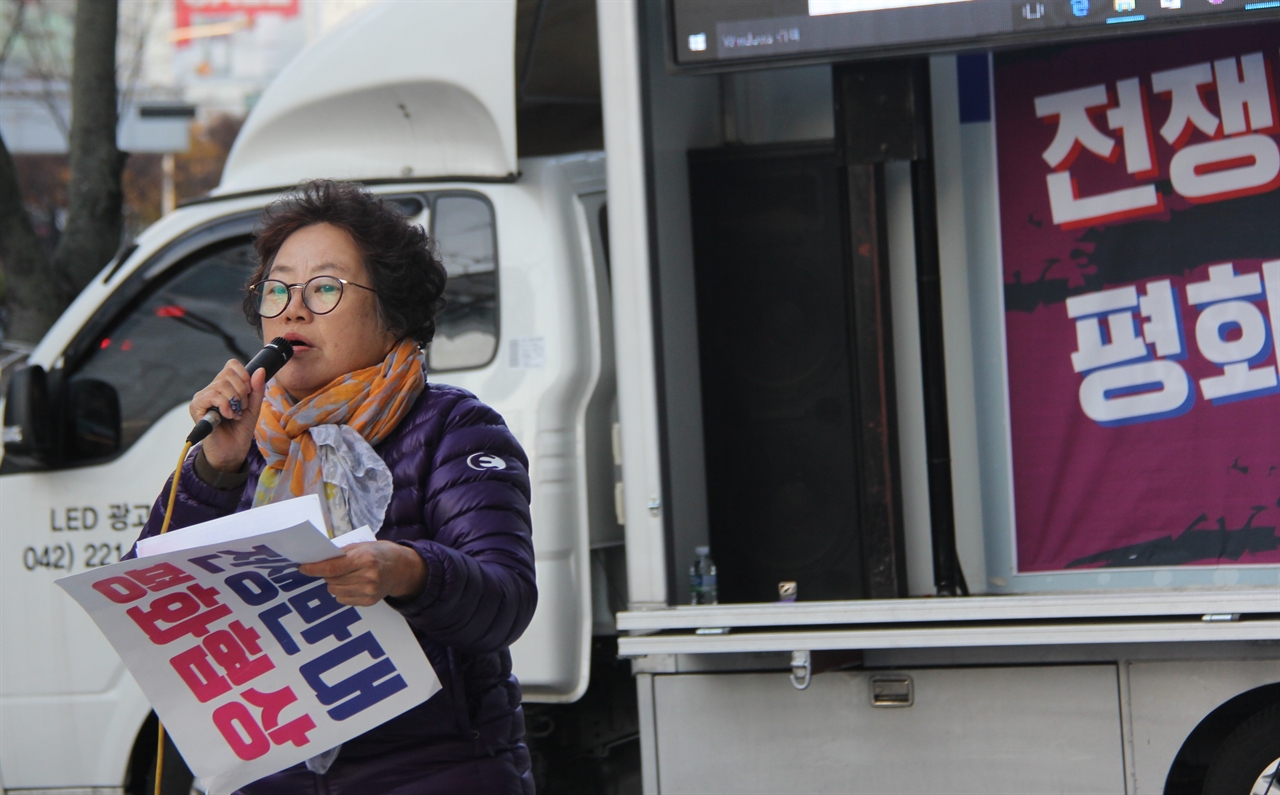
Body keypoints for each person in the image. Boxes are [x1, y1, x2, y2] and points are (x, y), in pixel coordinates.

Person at [131, 179, 537, 794]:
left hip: (435, 774)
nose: (293, 309)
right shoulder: (247, 441)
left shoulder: (455, 427)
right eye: (278, 289)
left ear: (392, 309)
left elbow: (505, 602)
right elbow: (159, 600)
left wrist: (409, 572)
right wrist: (214, 469)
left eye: (324, 288)